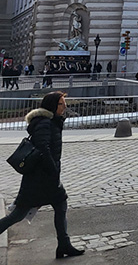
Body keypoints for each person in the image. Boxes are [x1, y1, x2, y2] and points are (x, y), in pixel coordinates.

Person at [0, 91, 84, 259]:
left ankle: (64, 244)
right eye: (62, 104)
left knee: (61, 205)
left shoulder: (51, 122)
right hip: (39, 179)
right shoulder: (45, 123)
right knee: (18, 215)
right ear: (53, 105)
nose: (65, 106)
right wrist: (53, 170)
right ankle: (64, 244)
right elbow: (43, 148)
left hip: (46, 177)